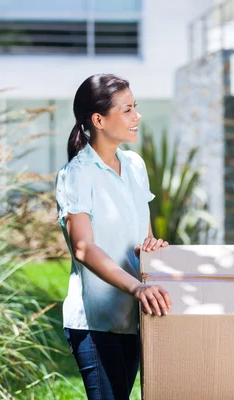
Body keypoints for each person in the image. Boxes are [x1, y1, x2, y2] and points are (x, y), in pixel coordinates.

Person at [55, 74, 171, 399]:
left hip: (134, 315)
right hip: (95, 322)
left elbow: (142, 237)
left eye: (136, 108)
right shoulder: (76, 175)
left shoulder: (135, 165)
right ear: (99, 120)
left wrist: (152, 247)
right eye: (128, 110)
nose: (137, 116)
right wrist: (137, 286)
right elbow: (83, 247)